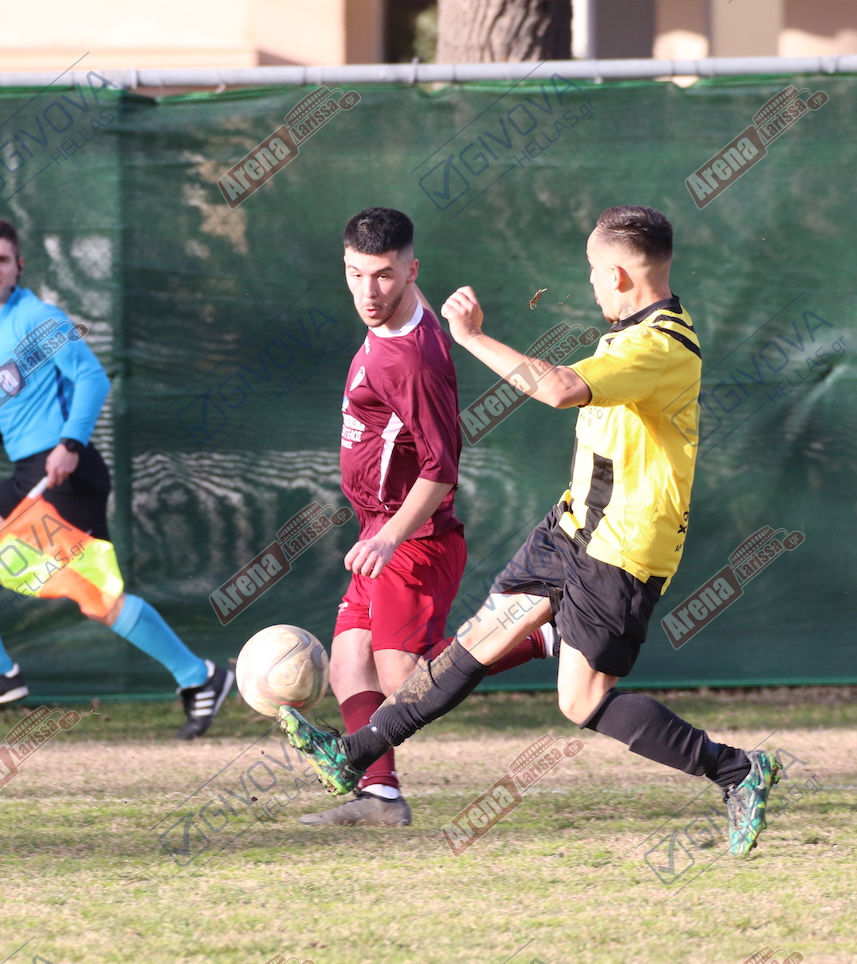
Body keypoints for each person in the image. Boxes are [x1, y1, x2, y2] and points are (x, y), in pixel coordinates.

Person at [280, 206, 783, 854]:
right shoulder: (632, 332)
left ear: (620, 276)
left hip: (621, 547)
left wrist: (471, 336)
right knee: (475, 642)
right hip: (572, 526)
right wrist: (410, 292)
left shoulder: (659, 346)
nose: (591, 283)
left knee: (582, 701)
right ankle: (353, 754)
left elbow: (560, 388)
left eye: (595, 271)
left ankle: (737, 770)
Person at [0, 218, 232, 739]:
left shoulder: (40, 318)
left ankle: (200, 677)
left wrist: (70, 444)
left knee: (100, 600)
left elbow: (92, 377)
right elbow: (4, 398)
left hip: (68, 474)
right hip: (28, 472)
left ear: (18, 266)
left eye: (2, 259)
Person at [298, 208, 553, 828]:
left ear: (412, 272)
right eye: (356, 273)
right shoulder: (403, 315)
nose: (368, 291)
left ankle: (543, 636)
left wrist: (390, 536)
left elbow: (442, 470)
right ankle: (379, 796)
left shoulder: (411, 362)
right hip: (380, 531)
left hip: (412, 536)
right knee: (349, 662)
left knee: (403, 677)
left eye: (384, 276)